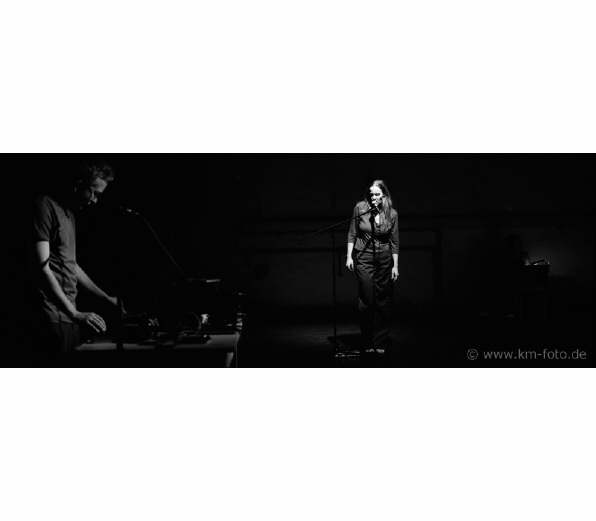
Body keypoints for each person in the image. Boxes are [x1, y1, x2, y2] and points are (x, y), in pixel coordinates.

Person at [31, 163, 120, 361]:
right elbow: (41, 267)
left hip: (69, 316)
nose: (95, 200)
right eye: (93, 193)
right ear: (78, 185)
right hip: (51, 316)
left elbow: (71, 265)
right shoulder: (44, 205)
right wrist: (75, 313)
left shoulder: (69, 214)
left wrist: (106, 298)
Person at [346, 180, 399, 355]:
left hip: (384, 258)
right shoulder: (360, 208)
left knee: (383, 300)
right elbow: (352, 233)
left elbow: (394, 241)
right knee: (367, 299)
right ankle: (367, 340)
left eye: (377, 194)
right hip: (364, 257)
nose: (373, 197)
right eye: (371, 194)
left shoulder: (391, 213)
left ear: (384, 196)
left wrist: (395, 266)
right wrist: (349, 256)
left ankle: (380, 342)